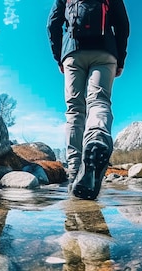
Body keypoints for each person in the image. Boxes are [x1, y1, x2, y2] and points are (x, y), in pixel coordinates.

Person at [47, 0, 130, 200]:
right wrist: (120, 58)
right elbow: (123, 25)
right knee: (99, 101)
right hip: (105, 51)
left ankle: (75, 172)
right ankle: (97, 138)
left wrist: (59, 57)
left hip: (72, 52)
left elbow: (52, 24)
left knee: (75, 110)